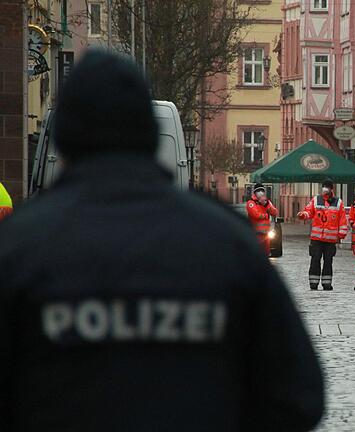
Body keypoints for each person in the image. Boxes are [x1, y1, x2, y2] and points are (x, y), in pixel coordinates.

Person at [0, 49, 324, 431]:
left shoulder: (19, 246)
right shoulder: (224, 241)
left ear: (63, 140)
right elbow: (298, 397)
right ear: (150, 135)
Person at [297, 179, 348, 290]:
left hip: (330, 240)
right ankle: (313, 283)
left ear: (331, 189)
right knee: (315, 259)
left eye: (327, 187)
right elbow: (309, 211)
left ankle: (327, 283)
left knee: (328, 261)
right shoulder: (316, 200)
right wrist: (303, 215)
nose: (325, 189)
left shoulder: (338, 202)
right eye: (323, 186)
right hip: (317, 238)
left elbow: (342, 220)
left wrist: (341, 234)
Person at [246, 183, 278, 255]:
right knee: (256, 253)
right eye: (258, 191)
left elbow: (275, 212)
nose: (260, 192)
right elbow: (255, 215)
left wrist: (266, 205)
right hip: (255, 233)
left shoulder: (267, 202)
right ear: (255, 192)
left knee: (266, 253)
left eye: (262, 191)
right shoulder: (251, 202)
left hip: (266, 234)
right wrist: (266, 215)